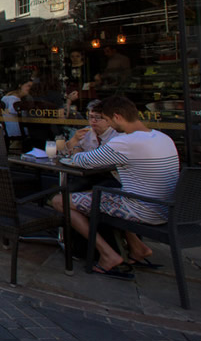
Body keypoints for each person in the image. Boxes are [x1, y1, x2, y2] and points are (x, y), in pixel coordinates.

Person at [51, 95, 179, 280]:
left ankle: (108, 254)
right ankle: (138, 248)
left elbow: (84, 161)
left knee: (59, 200)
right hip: (166, 208)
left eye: (109, 120)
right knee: (114, 193)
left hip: (143, 210)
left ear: (117, 117)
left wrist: (77, 148)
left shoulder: (125, 142)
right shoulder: (163, 137)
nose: (110, 125)